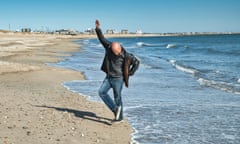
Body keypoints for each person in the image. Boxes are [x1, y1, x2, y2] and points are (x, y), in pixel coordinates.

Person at [95, 20, 140, 122]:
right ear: (112, 49)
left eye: (119, 52)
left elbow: (137, 62)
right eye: (116, 53)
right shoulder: (109, 46)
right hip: (109, 77)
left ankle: (119, 118)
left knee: (117, 98)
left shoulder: (126, 55)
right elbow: (102, 39)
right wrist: (98, 28)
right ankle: (115, 109)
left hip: (119, 79)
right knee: (101, 92)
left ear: (120, 49)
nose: (118, 54)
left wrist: (130, 73)